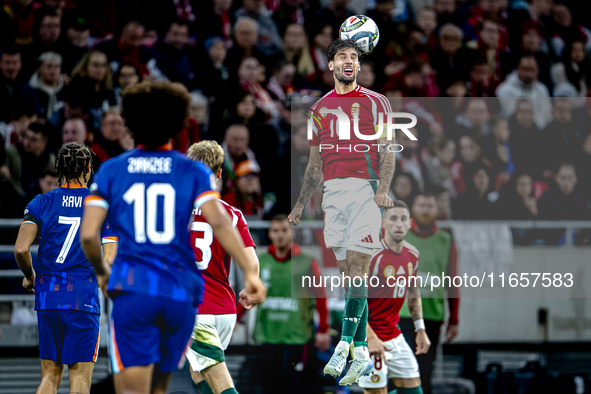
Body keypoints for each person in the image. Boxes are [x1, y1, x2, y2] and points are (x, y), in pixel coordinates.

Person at [79, 81, 266, 394]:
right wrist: (250, 274)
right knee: (174, 382)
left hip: (135, 291)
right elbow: (220, 223)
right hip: (182, 298)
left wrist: (101, 271)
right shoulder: (191, 172)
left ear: (129, 123)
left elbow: (88, 236)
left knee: (135, 389)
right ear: (179, 124)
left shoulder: (112, 170)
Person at [289, 38, 395, 386]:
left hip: (365, 188)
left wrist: (382, 189)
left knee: (359, 267)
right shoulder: (318, 109)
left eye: (354, 57)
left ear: (359, 66)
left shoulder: (377, 102)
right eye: (342, 57)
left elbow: (388, 151)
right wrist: (301, 204)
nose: (349, 61)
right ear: (331, 65)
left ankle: (345, 343)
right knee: (349, 272)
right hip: (332, 194)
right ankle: (362, 350)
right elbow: (314, 166)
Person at [13, 142, 118, 394]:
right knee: (80, 382)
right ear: (89, 169)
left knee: (49, 377)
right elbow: (109, 257)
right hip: (83, 298)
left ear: (58, 168)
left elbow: (20, 249)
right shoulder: (101, 206)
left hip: (48, 297)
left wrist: (30, 277)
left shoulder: (41, 202)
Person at [184, 140, 261, 394]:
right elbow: (251, 259)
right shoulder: (232, 213)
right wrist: (251, 286)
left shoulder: (176, 211)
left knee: (219, 380)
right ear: (219, 173)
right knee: (198, 375)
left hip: (197, 308)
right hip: (225, 310)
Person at [247, 215, 331, 394]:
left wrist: (323, 329)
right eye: (275, 230)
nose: (280, 235)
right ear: (269, 233)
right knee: (270, 385)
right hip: (269, 332)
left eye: (284, 230)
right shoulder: (261, 262)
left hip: (297, 335)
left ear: (292, 232)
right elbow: (248, 296)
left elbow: (321, 297)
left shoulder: (307, 262)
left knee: (294, 384)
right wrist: (233, 321)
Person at [358, 200, 430, 394]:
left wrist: (420, 329)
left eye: (403, 219)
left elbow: (413, 293)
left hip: (394, 335)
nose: (398, 223)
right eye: (393, 218)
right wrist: (370, 338)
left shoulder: (413, 255)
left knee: (415, 392)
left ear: (410, 224)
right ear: (383, 223)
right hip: (367, 337)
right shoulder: (372, 256)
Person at [399, 192, 459, 394]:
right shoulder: (397, 235)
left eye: (430, 206)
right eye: (421, 205)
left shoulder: (445, 241)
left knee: (424, 372)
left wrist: (454, 319)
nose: (425, 209)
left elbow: (452, 282)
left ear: (437, 210)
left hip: (431, 317)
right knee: (402, 372)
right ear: (412, 209)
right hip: (401, 316)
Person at [496, 54, 552, 129]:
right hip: (514, 131)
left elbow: (547, 115)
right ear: (518, 69)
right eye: (525, 69)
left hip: (539, 132)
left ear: (537, 71)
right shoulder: (504, 90)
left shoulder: (542, 89)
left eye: (531, 69)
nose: (528, 74)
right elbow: (512, 116)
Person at [21, 51, 66, 119]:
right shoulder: (29, 90)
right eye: (49, 66)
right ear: (40, 68)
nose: (53, 70)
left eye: (57, 66)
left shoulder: (64, 88)